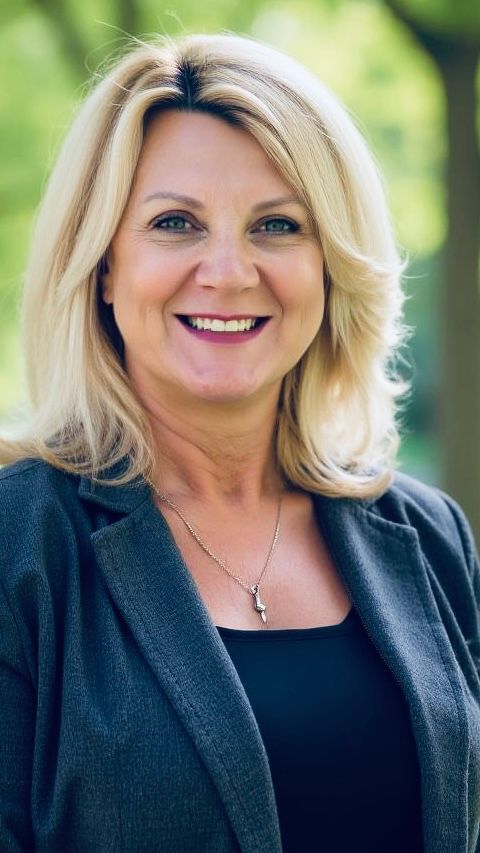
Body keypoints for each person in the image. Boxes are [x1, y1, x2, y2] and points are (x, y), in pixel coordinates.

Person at [0, 32, 478, 853]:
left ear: (330, 269)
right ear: (104, 265)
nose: (228, 271)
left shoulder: (431, 537)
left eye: (278, 225)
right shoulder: (19, 545)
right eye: (176, 222)